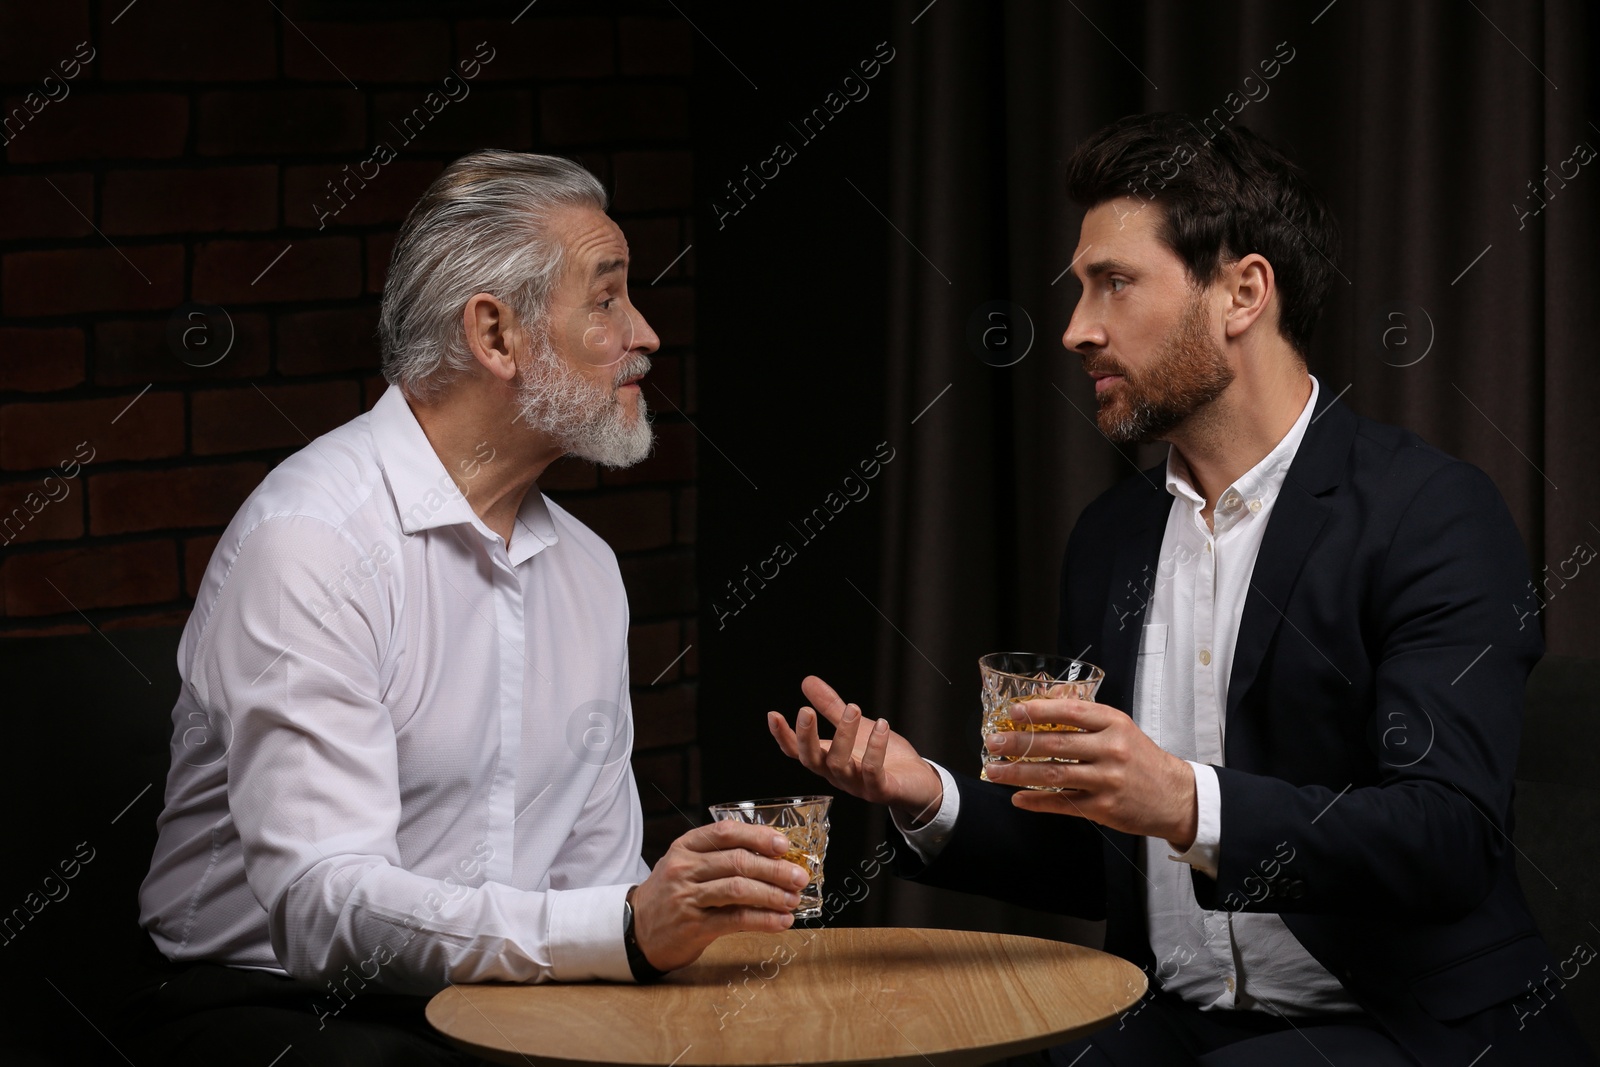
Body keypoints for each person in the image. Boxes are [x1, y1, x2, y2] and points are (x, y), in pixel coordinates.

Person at [768, 113, 1595, 1065]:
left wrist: (1184, 798)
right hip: (1173, 1017)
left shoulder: (1433, 515)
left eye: (1114, 283)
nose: (1077, 329)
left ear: (1243, 292)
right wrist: (927, 795)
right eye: (1081, 289)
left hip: (1402, 1026)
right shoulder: (1110, 538)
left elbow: (1448, 836)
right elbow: (1100, 857)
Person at [130, 151, 806, 1066]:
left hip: (507, 997)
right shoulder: (314, 539)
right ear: (496, 334)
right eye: (605, 300)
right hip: (277, 1006)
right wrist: (621, 925)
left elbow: (597, 886)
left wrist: (675, 917)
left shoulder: (590, 570)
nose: (644, 332)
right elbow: (324, 910)